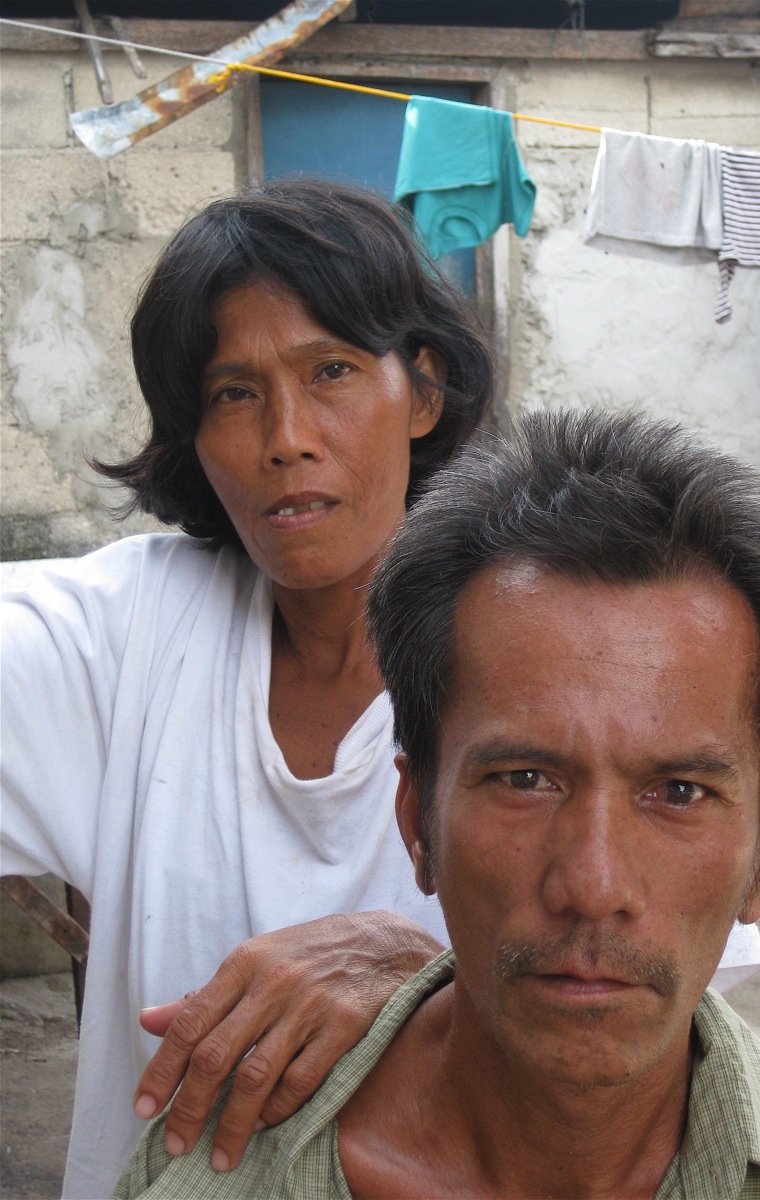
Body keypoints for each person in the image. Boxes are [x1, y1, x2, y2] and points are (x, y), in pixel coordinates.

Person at [115, 409, 760, 1200]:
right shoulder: (204, 1177)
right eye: (526, 779)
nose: (593, 886)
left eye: (680, 793)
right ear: (417, 820)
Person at [0, 177, 493, 1199]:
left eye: (333, 371)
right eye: (234, 393)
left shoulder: (534, 652)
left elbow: (655, 1008)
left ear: (426, 391)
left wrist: (423, 976)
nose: (285, 436)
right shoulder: (126, 633)